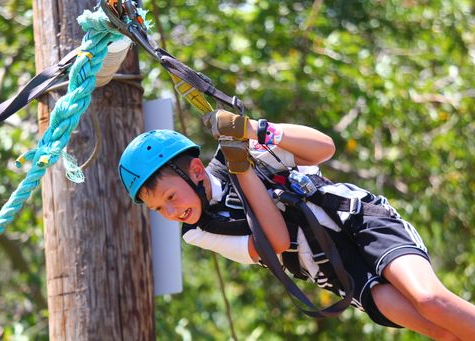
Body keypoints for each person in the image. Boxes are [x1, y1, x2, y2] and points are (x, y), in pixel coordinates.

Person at [118, 110, 475, 340]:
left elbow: (323, 149)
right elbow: (274, 240)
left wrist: (254, 130)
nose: (169, 211)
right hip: (337, 271)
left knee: (430, 300)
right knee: (439, 330)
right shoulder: (201, 231)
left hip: (361, 221)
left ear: (195, 171)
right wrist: (242, 171)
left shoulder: (239, 150)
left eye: (169, 197)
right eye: (158, 209)